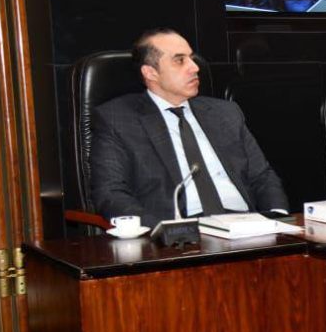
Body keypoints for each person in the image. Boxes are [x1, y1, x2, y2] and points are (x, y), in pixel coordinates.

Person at [90, 28, 287, 226]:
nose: (195, 67)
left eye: (191, 58)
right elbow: (110, 193)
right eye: (179, 60)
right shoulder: (118, 119)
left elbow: (262, 176)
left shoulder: (225, 113)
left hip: (245, 225)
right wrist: (164, 231)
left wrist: (278, 218)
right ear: (151, 73)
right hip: (179, 231)